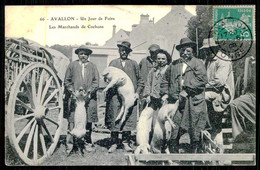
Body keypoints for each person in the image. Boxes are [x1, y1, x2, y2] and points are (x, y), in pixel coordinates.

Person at [160, 37, 208, 153]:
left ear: (192, 51)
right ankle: (174, 153)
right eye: (182, 51)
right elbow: (165, 81)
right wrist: (165, 93)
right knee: (174, 126)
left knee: (194, 128)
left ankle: (194, 154)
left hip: (193, 101)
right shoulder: (174, 65)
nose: (185, 53)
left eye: (188, 51)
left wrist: (187, 90)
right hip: (177, 102)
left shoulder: (198, 63)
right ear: (179, 51)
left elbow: (202, 80)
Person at [105, 41, 144, 153]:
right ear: (119, 51)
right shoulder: (113, 63)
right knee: (115, 117)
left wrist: (137, 93)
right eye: (122, 50)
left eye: (126, 51)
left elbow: (141, 80)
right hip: (114, 96)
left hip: (129, 96)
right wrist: (110, 81)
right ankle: (114, 142)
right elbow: (107, 78)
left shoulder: (134, 64)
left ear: (129, 52)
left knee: (128, 117)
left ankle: (126, 142)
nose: (124, 53)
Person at [64, 45, 99, 154]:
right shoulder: (72, 65)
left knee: (88, 122)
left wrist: (89, 92)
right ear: (78, 55)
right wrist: (72, 91)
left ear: (88, 56)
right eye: (81, 54)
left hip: (88, 99)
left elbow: (96, 82)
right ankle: (70, 145)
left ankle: (87, 144)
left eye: (85, 54)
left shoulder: (93, 66)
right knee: (72, 121)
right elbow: (67, 81)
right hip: (75, 99)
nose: (83, 56)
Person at [199, 38, 235, 143]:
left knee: (200, 97)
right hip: (211, 90)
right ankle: (204, 128)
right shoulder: (207, 60)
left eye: (209, 49)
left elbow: (220, 81)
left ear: (215, 48)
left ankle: (207, 127)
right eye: (205, 49)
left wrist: (202, 85)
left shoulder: (223, 59)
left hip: (222, 92)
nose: (206, 51)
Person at [136, 49, 172, 152]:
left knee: (163, 124)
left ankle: (164, 146)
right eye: (159, 59)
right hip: (153, 100)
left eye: (163, 59)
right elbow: (148, 84)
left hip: (164, 101)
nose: (161, 61)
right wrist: (147, 95)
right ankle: (149, 144)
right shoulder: (153, 71)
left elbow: (172, 85)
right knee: (150, 123)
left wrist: (167, 95)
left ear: (167, 59)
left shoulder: (169, 70)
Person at [139, 44, 160, 112]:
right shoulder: (143, 61)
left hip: (156, 93)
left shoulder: (160, 62)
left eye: (155, 52)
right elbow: (138, 75)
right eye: (151, 52)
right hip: (144, 92)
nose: (153, 53)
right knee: (143, 111)